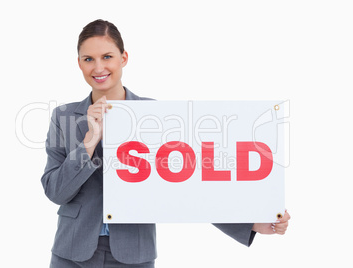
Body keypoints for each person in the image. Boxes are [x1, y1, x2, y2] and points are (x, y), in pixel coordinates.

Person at [41, 19, 291, 268]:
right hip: (71, 254)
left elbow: (187, 186)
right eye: (88, 59)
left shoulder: (155, 115)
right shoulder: (64, 117)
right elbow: (56, 192)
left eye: (107, 56)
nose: (98, 67)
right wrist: (88, 143)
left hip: (132, 255)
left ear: (123, 58)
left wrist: (250, 224)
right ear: (79, 63)